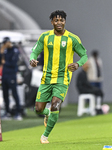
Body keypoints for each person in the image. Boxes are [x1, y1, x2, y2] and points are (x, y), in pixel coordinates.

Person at [29, 10, 88, 144]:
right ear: (52, 22)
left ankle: (45, 136)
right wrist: (32, 60)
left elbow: (84, 55)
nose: (59, 23)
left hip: (63, 78)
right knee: (38, 109)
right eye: (56, 20)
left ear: (65, 21)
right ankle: (47, 113)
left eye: (61, 20)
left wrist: (78, 64)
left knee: (55, 105)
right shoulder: (45, 37)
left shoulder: (72, 39)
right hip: (46, 79)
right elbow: (35, 51)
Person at [0, 37, 22, 121]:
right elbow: (1, 61)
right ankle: (7, 112)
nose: (5, 45)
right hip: (5, 75)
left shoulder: (15, 51)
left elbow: (13, 63)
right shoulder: (4, 51)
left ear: (9, 42)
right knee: (5, 94)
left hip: (12, 75)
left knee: (14, 94)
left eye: (6, 43)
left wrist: (5, 62)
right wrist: (1, 53)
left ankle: (18, 113)